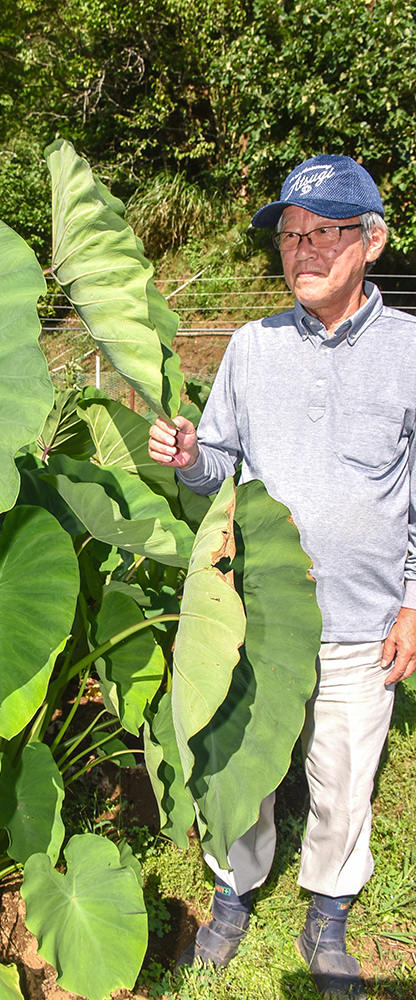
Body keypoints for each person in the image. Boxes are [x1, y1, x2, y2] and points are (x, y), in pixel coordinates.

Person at [148, 154, 416, 1000]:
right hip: (255, 616)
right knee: (248, 763)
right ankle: (234, 892)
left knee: (342, 774)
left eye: (324, 233)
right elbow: (217, 459)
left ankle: (328, 910)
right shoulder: (249, 347)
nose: (301, 251)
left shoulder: (411, 351)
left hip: (361, 620)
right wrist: (191, 456)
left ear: (370, 240)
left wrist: (415, 601)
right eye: (289, 236)